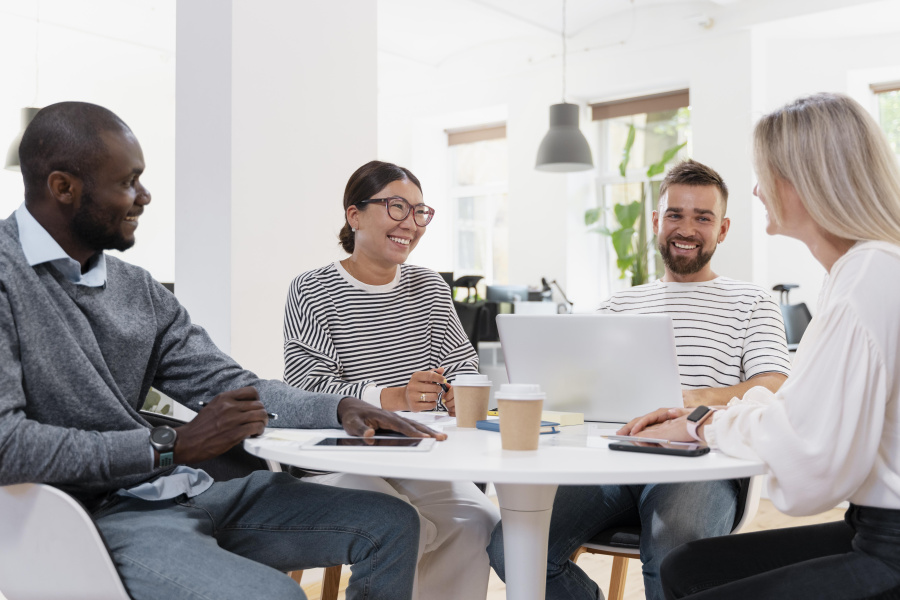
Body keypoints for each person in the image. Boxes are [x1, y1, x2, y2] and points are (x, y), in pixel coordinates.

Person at [0, 101, 444, 600]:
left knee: (394, 524)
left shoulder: (138, 290)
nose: (144, 196)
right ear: (63, 188)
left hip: (186, 489)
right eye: (128, 182)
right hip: (93, 517)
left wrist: (340, 407)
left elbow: (232, 385)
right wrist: (166, 446)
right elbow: (7, 445)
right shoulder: (6, 276)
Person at [487, 159, 792, 600]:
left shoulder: (751, 301)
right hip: (613, 460)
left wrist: (687, 399)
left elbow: (774, 384)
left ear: (722, 230)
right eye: (675, 215)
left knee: (675, 546)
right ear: (656, 222)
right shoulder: (620, 304)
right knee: (508, 546)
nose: (686, 228)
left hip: (700, 463)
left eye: (702, 218)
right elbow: (581, 386)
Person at [635, 94, 900, 599]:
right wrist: (709, 420)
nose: (756, 190)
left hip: (890, 546)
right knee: (686, 569)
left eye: (766, 174)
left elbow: (811, 470)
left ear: (807, 181)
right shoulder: (863, 270)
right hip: (872, 525)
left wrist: (703, 422)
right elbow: (799, 407)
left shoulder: (868, 279)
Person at [283, 160, 500, 600]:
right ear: (354, 215)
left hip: (419, 457)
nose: (412, 224)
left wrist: (462, 392)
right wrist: (392, 397)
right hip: (339, 463)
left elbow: (464, 367)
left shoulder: (430, 288)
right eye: (397, 207)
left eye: (420, 212)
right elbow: (306, 388)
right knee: (405, 524)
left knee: (478, 519)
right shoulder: (312, 289)